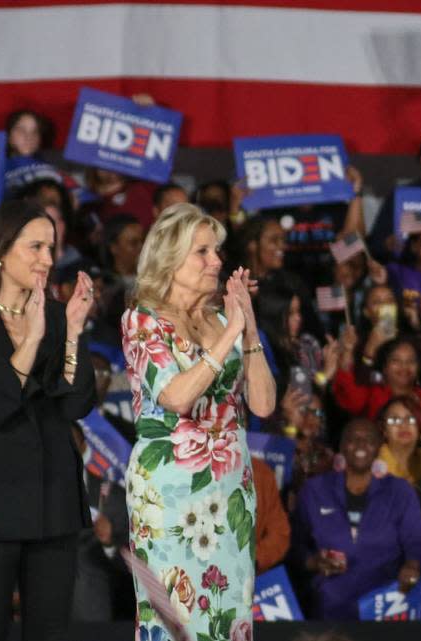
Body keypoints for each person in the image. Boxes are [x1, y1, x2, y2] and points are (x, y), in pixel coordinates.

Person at [121, 203, 276, 640]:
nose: (217, 261)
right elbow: (174, 397)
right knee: (175, 617)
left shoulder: (224, 319)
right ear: (170, 258)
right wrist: (230, 333)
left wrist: (248, 328)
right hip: (169, 495)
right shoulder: (143, 320)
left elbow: (263, 404)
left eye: (217, 251)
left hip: (230, 495)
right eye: (203, 252)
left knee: (229, 613)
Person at [0, 200, 97, 640]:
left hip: (53, 501)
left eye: (51, 248)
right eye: (35, 247)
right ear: (0, 249)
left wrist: (71, 333)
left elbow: (77, 405)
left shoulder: (58, 317)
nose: (48, 260)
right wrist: (32, 338)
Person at [292, 418, 421, 621]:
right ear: (341, 446)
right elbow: (294, 545)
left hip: (384, 605)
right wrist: (313, 562)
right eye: (353, 439)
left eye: (369, 439)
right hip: (329, 606)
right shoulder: (314, 490)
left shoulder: (400, 491)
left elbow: (417, 541)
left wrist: (413, 566)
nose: (361, 444)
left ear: (379, 447)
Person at [70, 424, 131, 622]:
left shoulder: (111, 496)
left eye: (71, 444)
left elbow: (136, 568)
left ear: (84, 448)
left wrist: (109, 543)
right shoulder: (34, 497)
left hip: (92, 613)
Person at [375, 395, 421, 489]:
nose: (403, 425)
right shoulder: (373, 464)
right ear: (384, 430)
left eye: (411, 419)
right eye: (394, 420)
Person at [252, 457, 291, 574]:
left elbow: (280, 533)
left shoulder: (261, 474)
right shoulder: (195, 471)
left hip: (245, 578)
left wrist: (253, 559)